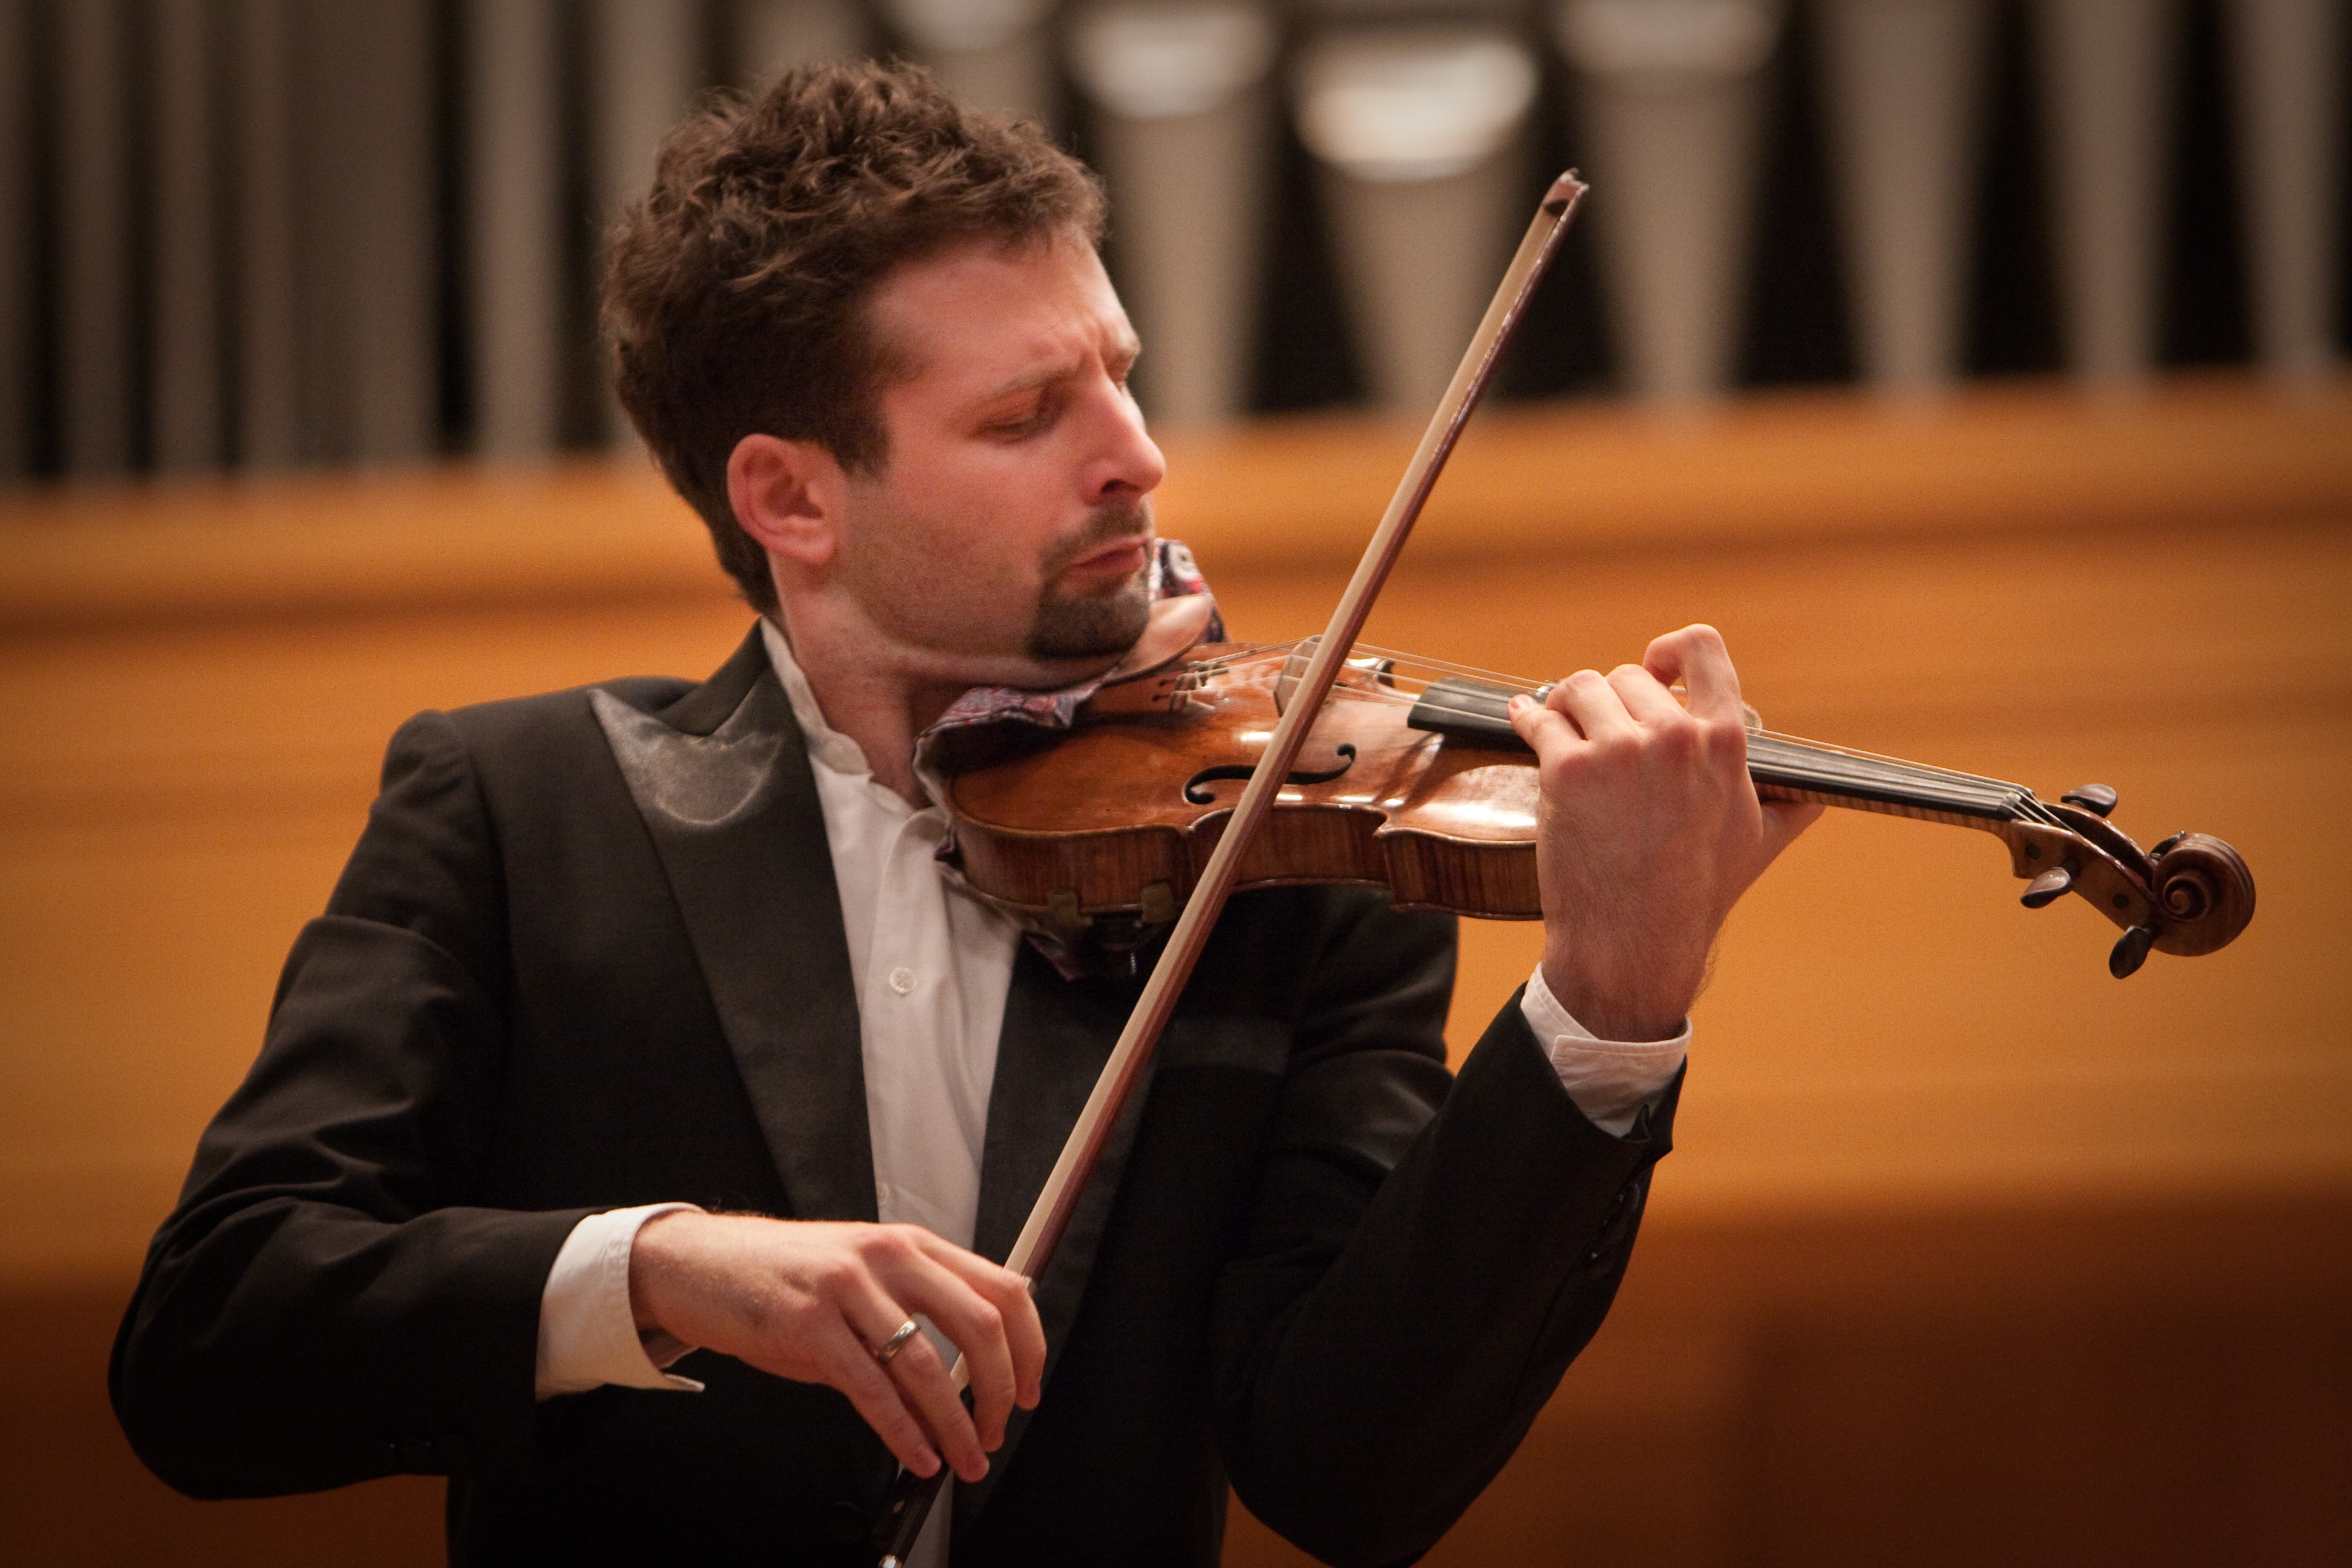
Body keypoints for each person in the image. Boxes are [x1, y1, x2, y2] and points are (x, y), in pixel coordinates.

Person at [111, 60, 1816, 1568]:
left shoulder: (1280, 853)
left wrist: (1611, 1006)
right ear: (791, 497)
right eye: (1024, 415)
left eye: (1120, 375)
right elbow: (213, 1340)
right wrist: (661, 1273)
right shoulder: (521, 811)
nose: (1136, 455)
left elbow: (1347, 1474)